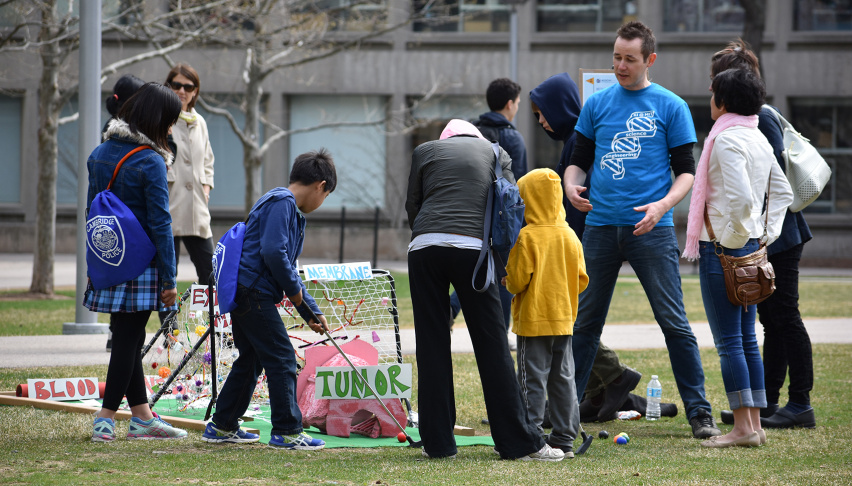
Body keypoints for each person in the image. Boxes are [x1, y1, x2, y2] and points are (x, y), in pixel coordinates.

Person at [562, 21, 721, 439]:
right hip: (598, 227)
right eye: (616, 57)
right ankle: (565, 415)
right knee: (582, 326)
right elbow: (578, 159)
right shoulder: (597, 105)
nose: (620, 65)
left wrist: (663, 205)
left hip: (651, 229)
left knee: (674, 322)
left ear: (649, 59)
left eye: (629, 59)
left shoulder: (671, 105)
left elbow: (687, 173)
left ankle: (699, 412)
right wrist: (569, 185)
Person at [406, 119, 563, 461]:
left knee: (431, 346)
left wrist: (429, 238)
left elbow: (413, 207)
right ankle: (519, 443)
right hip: (472, 251)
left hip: (423, 249)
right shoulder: (495, 152)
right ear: (474, 138)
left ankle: (438, 444)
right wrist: (504, 262)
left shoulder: (424, 151)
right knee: (491, 345)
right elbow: (509, 208)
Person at [529, 72, 661, 424]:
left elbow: (579, 200)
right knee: (572, 320)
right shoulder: (574, 138)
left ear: (558, 108)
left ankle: (613, 379)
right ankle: (606, 387)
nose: (539, 121)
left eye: (541, 112)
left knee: (570, 322)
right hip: (576, 239)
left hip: (580, 241)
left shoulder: (579, 139)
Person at [709, 40, 817, 430]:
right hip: (767, 234)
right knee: (771, 320)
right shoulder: (744, 119)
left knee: (785, 317)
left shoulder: (759, 118)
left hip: (780, 236)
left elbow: (766, 183)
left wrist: (754, 234)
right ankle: (767, 402)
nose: (712, 87)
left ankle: (799, 403)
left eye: (716, 78)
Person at [683, 67, 793, 447]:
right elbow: (782, 194)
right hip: (749, 248)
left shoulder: (727, 139)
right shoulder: (756, 135)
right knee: (746, 339)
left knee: (731, 341)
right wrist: (763, 235)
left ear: (723, 100)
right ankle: (753, 426)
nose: (709, 97)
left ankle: (744, 430)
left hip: (726, 250)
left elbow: (746, 198)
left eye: (712, 91)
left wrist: (732, 238)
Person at [202, 149, 335, 450]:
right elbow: (274, 254)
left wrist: (309, 310)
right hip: (252, 293)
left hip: (247, 291)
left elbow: (286, 265)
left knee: (251, 360)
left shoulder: (283, 206)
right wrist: (295, 293)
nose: (322, 202)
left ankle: (222, 425)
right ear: (320, 185)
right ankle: (287, 431)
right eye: (326, 196)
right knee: (282, 358)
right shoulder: (282, 202)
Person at [86, 82, 187, 442]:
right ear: (156, 119)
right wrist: (170, 279)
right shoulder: (150, 160)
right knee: (129, 340)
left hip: (110, 257)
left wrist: (96, 261)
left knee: (125, 335)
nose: (171, 128)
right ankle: (106, 416)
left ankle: (142, 417)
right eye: (170, 120)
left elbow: (92, 213)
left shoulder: (99, 153)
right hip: (143, 262)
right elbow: (161, 223)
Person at [502, 168, 588, 458]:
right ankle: (565, 438)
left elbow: (516, 282)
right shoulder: (570, 236)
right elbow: (582, 279)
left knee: (532, 379)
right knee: (563, 379)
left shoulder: (527, 237)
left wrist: (507, 279)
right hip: (563, 319)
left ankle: (532, 436)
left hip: (533, 321)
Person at [450, 77, 528, 337]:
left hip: (471, 211)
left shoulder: (472, 130)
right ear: (509, 104)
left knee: (477, 264)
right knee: (504, 273)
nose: (516, 107)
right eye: (517, 103)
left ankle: (450, 308)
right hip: (501, 216)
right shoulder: (513, 138)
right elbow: (517, 183)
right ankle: (500, 331)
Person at [102, 73, 146, 353]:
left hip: (115, 216)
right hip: (126, 217)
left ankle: (116, 332)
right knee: (121, 277)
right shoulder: (118, 130)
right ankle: (115, 331)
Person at [164, 63, 215, 287]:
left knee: (211, 272)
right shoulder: (160, 118)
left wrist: (206, 189)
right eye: (177, 85)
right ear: (169, 86)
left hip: (197, 208)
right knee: (168, 274)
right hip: (169, 204)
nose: (182, 91)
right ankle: (169, 322)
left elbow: (208, 160)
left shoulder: (200, 122)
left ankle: (212, 321)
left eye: (188, 86)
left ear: (195, 91)